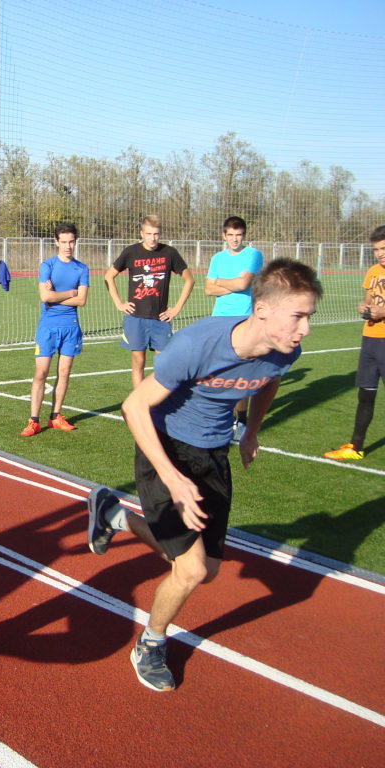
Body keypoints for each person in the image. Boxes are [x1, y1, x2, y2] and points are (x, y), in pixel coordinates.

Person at [86, 259, 321, 692]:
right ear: (263, 310)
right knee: (190, 570)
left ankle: (114, 517)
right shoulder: (195, 345)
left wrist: (251, 429)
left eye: (309, 317)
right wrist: (172, 479)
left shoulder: (287, 350)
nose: (305, 329)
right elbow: (134, 407)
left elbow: (271, 380)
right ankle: (150, 644)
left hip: (213, 454)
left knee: (208, 570)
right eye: (298, 316)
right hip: (166, 446)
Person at [103, 215, 195, 388]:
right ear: (142, 233)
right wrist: (119, 303)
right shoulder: (131, 252)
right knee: (138, 362)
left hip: (160, 319)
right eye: (149, 233)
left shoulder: (169, 253)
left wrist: (176, 308)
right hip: (135, 318)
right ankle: (140, 403)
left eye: (156, 234)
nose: (153, 238)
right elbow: (109, 276)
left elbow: (189, 280)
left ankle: (159, 401)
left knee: (163, 364)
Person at [20, 222, 89, 435]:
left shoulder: (82, 268)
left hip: (71, 328)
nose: (68, 246)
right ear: (56, 242)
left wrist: (58, 296)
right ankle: (34, 420)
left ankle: (55, 416)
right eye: (64, 242)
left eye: (72, 242)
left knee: (64, 372)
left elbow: (82, 300)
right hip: (48, 328)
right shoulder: (47, 265)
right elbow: (45, 297)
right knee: (41, 373)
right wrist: (70, 293)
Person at [324, 225, 385, 460]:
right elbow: (368, 298)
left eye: (383, 248)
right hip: (370, 339)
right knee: (366, 394)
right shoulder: (372, 271)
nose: (380, 253)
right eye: (376, 249)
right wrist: (363, 306)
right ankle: (356, 447)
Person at [205, 216, 264, 439]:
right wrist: (231, 284)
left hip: (244, 319)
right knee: (219, 372)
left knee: (241, 374)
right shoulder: (217, 258)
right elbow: (208, 290)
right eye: (230, 235)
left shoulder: (254, 255)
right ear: (224, 235)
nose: (234, 239)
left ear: (244, 235)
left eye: (238, 235)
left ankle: (242, 420)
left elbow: (243, 284)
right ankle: (224, 418)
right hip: (219, 320)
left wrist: (221, 282)